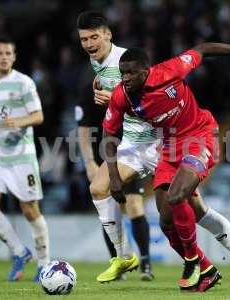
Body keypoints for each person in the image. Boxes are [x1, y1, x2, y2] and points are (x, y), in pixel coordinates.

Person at [103, 44, 230, 292]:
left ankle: (193, 262)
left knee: (176, 196)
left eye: (131, 73)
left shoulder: (170, 71)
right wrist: (114, 177)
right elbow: (108, 133)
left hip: (200, 136)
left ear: (146, 71)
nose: (126, 78)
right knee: (167, 222)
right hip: (169, 147)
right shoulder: (122, 96)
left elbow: (205, 48)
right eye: (123, 73)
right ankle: (222, 265)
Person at [77, 11, 156, 282]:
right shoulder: (92, 66)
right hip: (121, 146)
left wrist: (115, 99)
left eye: (94, 37)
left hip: (151, 141)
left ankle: (146, 263)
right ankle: (123, 258)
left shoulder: (128, 62)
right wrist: (89, 161)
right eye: (84, 39)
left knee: (177, 206)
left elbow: (153, 101)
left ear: (108, 34)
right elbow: (85, 125)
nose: (88, 44)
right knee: (100, 190)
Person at [0, 36, 50, 282]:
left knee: (30, 210)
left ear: (14, 56)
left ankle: (44, 264)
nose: (4, 57)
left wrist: (18, 122)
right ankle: (21, 253)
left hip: (22, 157)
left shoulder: (24, 83)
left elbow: (39, 116)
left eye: (8, 53)